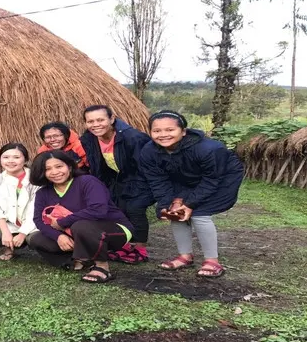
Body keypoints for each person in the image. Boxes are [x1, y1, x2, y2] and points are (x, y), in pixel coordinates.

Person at [140, 110, 243, 278]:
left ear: (183, 131)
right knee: (175, 212)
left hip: (222, 178)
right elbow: (157, 180)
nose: (163, 135)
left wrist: (190, 204)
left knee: (199, 214)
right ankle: (185, 256)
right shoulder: (148, 152)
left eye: (170, 130)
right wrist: (166, 203)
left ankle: (212, 261)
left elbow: (211, 180)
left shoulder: (208, 149)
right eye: (157, 131)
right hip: (185, 177)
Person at [29, 150, 134, 283]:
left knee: (80, 225)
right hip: (74, 233)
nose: (55, 172)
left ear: (70, 166)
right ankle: (76, 260)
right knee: (36, 239)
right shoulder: (43, 193)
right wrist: (58, 236)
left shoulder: (87, 181)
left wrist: (63, 222)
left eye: (59, 166)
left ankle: (102, 267)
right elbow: (39, 220)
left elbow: (98, 210)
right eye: (47, 169)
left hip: (115, 229)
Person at [80, 105, 154, 263]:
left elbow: (147, 166)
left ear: (112, 119)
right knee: (117, 210)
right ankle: (125, 245)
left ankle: (140, 248)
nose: (95, 124)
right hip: (117, 179)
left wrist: (140, 189)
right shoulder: (89, 138)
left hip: (141, 178)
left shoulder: (132, 138)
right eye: (90, 121)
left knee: (135, 209)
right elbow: (97, 164)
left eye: (100, 120)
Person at [0, 143, 40, 260]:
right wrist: (5, 232)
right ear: (0, 159)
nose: (10, 161)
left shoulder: (36, 179)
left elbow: (35, 209)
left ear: (25, 159)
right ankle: (7, 247)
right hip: (11, 224)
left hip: (33, 223)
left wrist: (23, 233)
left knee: (36, 239)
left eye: (16, 157)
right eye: (6, 157)